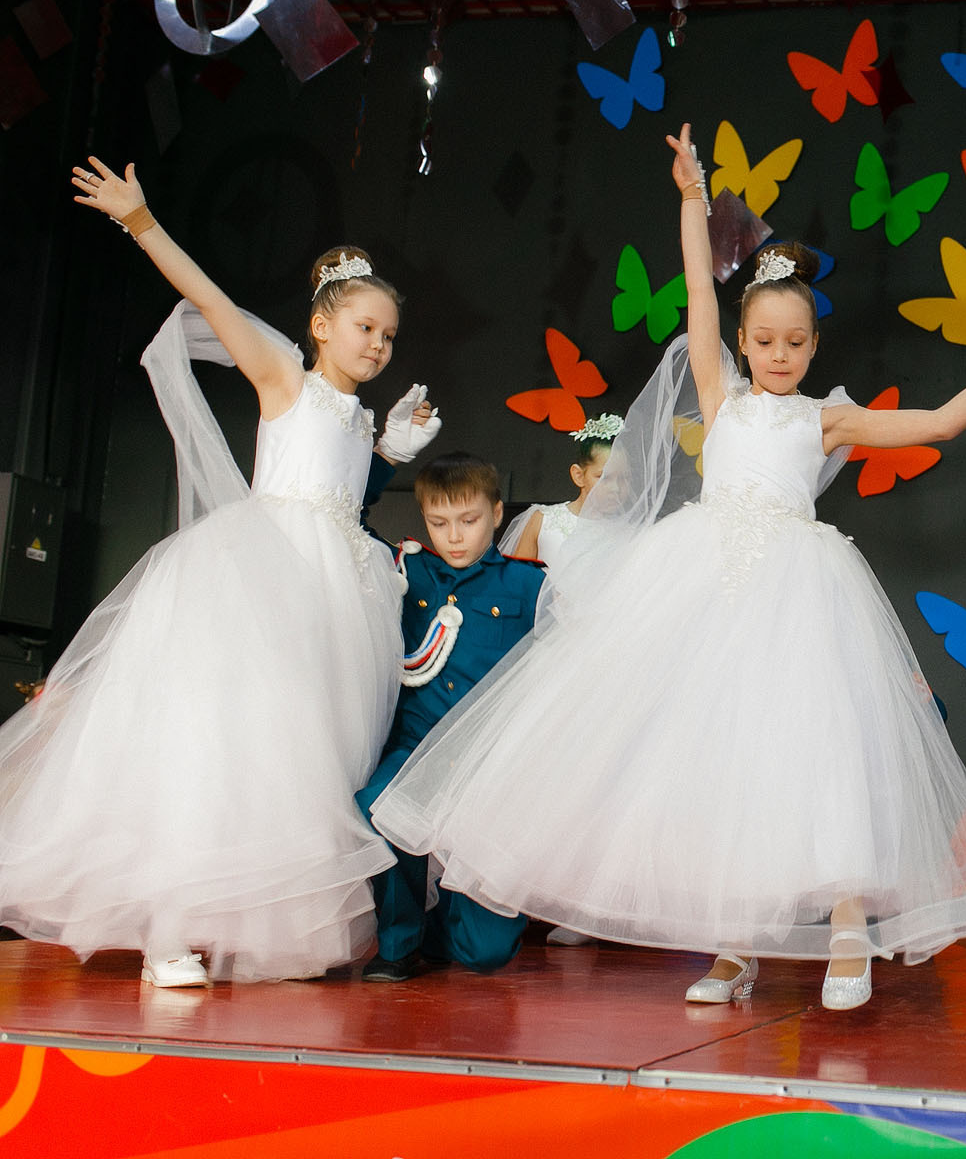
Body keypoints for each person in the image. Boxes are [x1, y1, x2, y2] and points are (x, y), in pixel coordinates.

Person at [372, 124, 966, 1010]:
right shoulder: (720, 393)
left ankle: (849, 919)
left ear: (813, 347)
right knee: (720, 759)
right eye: (765, 340)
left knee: (814, 750)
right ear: (744, 338)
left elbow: (940, 422)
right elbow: (699, 285)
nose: (780, 355)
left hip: (797, 594)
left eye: (795, 343)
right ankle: (735, 946)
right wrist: (694, 198)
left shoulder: (824, 420)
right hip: (707, 587)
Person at [0, 160, 438, 985]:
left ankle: (256, 920)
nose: (378, 345)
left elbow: (342, 490)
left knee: (294, 763)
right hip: (264, 583)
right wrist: (140, 222)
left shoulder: (356, 415)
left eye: (388, 335)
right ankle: (168, 929)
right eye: (364, 328)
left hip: (337, 599)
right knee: (221, 748)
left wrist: (388, 449)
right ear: (321, 326)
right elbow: (210, 300)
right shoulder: (284, 377)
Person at [357, 452, 545, 981]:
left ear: (498, 513)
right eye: (439, 523)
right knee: (378, 805)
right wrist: (386, 458)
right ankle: (398, 943)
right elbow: (342, 515)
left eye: (469, 520)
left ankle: (442, 926)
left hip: (488, 763)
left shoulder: (529, 585)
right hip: (415, 749)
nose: (454, 537)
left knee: (483, 954)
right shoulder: (407, 570)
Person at [498, 414, 623, 569]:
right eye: (604, 477)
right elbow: (518, 579)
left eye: (624, 478)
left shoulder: (628, 533)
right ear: (578, 476)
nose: (616, 488)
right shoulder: (542, 520)